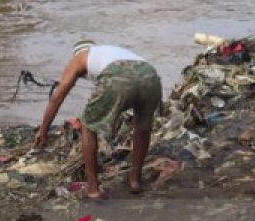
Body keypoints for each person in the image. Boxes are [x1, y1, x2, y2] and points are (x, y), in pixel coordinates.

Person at [31, 40, 162, 199]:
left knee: (88, 125)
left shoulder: (80, 57)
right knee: (142, 126)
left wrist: (43, 130)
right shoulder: (108, 51)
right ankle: (135, 181)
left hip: (118, 75)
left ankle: (93, 189)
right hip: (151, 76)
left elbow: (57, 97)